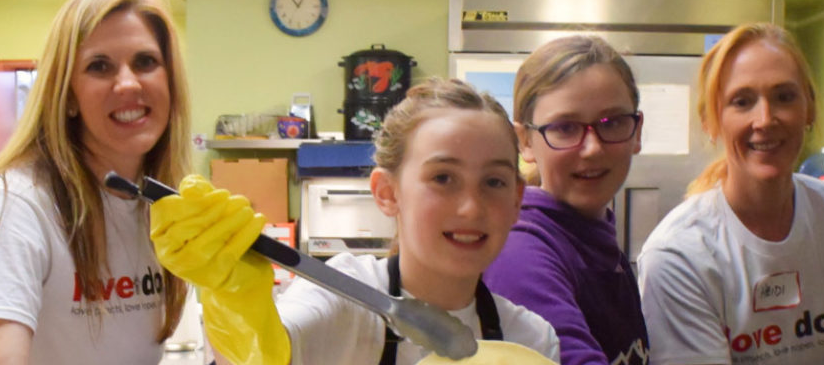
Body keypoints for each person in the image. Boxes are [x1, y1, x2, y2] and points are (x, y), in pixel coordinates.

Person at [151, 78, 561, 364]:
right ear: (386, 192)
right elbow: (265, 355)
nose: (471, 207)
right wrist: (233, 298)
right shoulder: (343, 300)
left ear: (516, 201)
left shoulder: (531, 340)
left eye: (494, 181)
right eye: (443, 178)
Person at [0, 0, 192, 365]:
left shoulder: (159, 207)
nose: (127, 83)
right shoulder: (15, 206)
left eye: (145, 62)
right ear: (69, 96)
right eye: (100, 66)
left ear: (170, 82)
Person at [637, 23, 824, 365]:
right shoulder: (678, 255)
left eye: (784, 97)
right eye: (742, 101)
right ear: (710, 120)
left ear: (810, 108)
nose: (765, 119)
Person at [482, 35, 651, 365]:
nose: (592, 148)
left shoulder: (593, 234)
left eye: (613, 122)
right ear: (525, 142)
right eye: (565, 128)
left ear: (637, 130)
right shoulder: (521, 253)